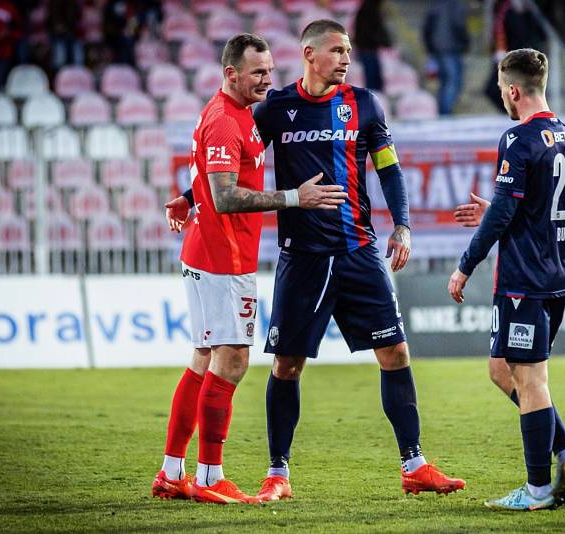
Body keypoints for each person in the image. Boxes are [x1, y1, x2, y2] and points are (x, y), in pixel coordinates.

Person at [251, 19, 465, 502]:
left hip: (359, 252)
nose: (347, 58)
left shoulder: (364, 104)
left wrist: (403, 224)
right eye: (338, 50)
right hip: (303, 258)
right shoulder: (275, 109)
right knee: (288, 365)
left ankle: (414, 464)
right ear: (309, 54)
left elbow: (389, 171)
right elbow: (239, 164)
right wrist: (189, 196)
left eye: (349, 51)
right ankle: (277, 473)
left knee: (396, 354)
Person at [153, 33, 347, 505]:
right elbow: (224, 195)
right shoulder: (225, 120)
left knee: (203, 360)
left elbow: (206, 178)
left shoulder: (236, 114)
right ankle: (209, 476)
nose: (267, 79)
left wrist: (185, 196)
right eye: (257, 72)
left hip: (206, 253)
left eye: (270, 71)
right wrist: (293, 198)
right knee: (233, 360)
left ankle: (172, 471)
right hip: (223, 258)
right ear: (231, 74)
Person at [448, 48, 565, 511]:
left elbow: (506, 213)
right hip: (555, 273)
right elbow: (544, 210)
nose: (502, 99)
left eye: (501, 91)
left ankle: (536, 491)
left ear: (512, 90)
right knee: (501, 370)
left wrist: (465, 264)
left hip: (524, 280)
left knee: (530, 380)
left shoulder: (518, 138)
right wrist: (496, 209)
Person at [422, 0, 469, 115]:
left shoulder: (435, 5)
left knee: (445, 82)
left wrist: (430, 47)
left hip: (438, 48)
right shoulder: (456, 4)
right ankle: (445, 113)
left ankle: (443, 112)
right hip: (451, 47)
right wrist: (465, 42)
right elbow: (459, 25)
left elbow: (426, 28)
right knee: (453, 82)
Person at [353, 0, 392, 92]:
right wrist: (383, 41)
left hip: (368, 47)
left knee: (374, 77)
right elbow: (371, 31)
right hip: (367, 47)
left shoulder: (366, 10)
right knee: (372, 77)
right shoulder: (369, 11)